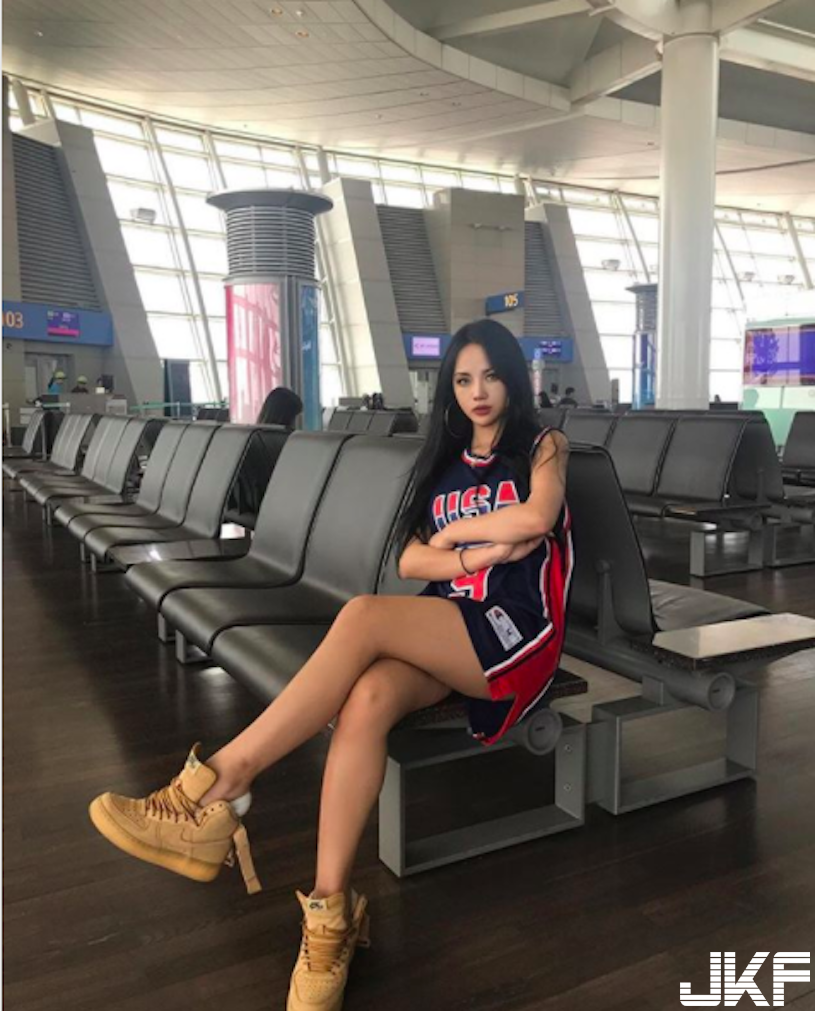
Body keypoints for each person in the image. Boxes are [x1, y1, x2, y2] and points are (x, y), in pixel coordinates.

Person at [87, 318, 573, 1011]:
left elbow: (536, 519)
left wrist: (458, 535)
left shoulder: (542, 444)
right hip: (449, 622)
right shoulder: (443, 458)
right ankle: (329, 916)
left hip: (516, 629)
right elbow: (412, 559)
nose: (478, 392)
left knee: (364, 615)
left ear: (512, 378)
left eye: (490, 375)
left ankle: (216, 785)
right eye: (464, 379)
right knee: (366, 699)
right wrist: (475, 552)